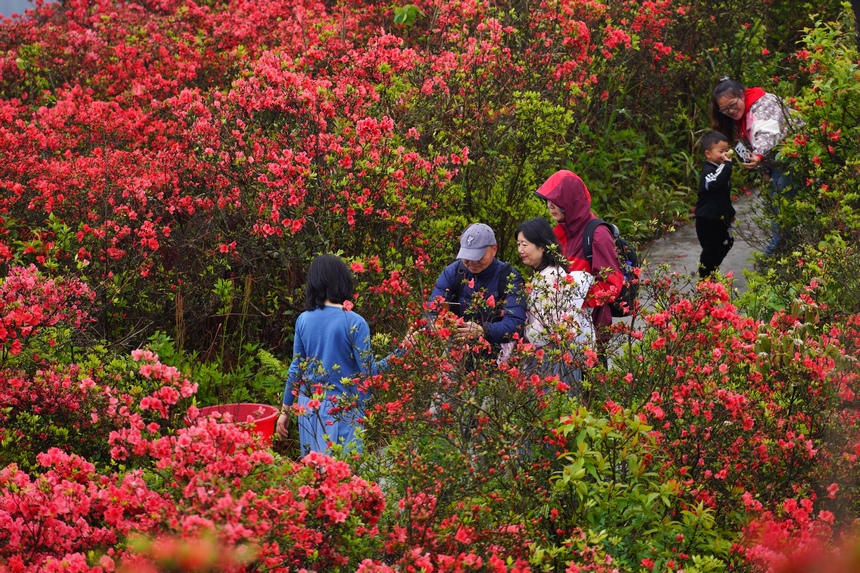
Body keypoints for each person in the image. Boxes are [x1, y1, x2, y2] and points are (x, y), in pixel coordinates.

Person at [276, 254, 395, 456]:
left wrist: (285, 411)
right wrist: (402, 352)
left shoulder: (303, 320)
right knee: (342, 471)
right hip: (340, 411)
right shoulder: (354, 322)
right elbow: (370, 374)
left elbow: (296, 369)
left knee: (314, 470)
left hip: (308, 409)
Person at [710, 76, 803, 254]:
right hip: (776, 162)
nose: (730, 111)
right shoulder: (738, 119)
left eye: (732, 104)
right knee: (778, 206)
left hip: (795, 155)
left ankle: (776, 252)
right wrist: (764, 170)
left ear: (741, 94)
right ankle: (788, 248)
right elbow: (745, 146)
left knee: (781, 206)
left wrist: (759, 156)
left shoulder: (763, 103)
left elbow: (767, 133)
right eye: (724, 109)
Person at [533, 170, 622, 340]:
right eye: (548, 200)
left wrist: (569, 299)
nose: (550, 206)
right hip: (563, 329)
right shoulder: (557, 233)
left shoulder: (598, 235)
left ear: (571, 201)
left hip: (589, 332)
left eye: (557, 201)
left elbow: (611, 285)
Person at [428, 223, 526, 361]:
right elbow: (431, 312)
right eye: (467, 255)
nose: (472, 261)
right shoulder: (453, 273)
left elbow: (515, 323)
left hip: (496, 359)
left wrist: (484, 330)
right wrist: (443, 325)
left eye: (479, 255)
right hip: (456, 355)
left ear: (494, 249)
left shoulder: (508, 277)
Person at [515, 217, 594, 390]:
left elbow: (546, 328)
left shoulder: (550, 277)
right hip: (555, 355)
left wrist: (523, 332)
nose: (520, 250)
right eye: (518, 244)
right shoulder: (546, 273)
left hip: (552, 357)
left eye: (525, 244)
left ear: (542, 247)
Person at [695, 131, 736, 279]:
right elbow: (715, 183)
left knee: (726, 243)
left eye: (727, 150)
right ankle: (704, 277)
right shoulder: (709, 171)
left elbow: (723, 196)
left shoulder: (721, 168)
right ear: (708, 154)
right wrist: (727, 165)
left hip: (719, 218)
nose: (725, 154)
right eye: (721, 151)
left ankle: (712, 270)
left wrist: (730, 213)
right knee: (710, 249)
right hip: (707, 220)